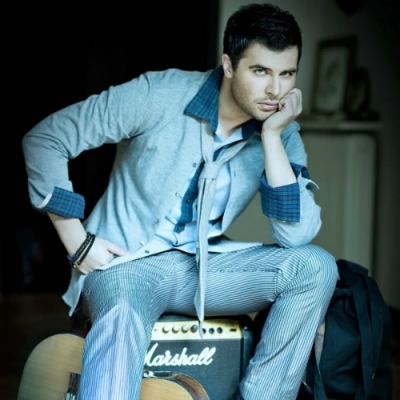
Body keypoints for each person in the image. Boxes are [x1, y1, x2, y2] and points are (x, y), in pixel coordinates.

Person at [22, 3, 339, 399]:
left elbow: (296, 236)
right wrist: (77, 241)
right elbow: (46, 138)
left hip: (204, 270)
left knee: (315, 267)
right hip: (127, 263)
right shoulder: (160, 93)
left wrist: (273, 137)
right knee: (122, 311)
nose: (276, 90)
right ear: (229, 64)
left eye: (286, 73)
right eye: (260, 71)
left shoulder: (281, 129)